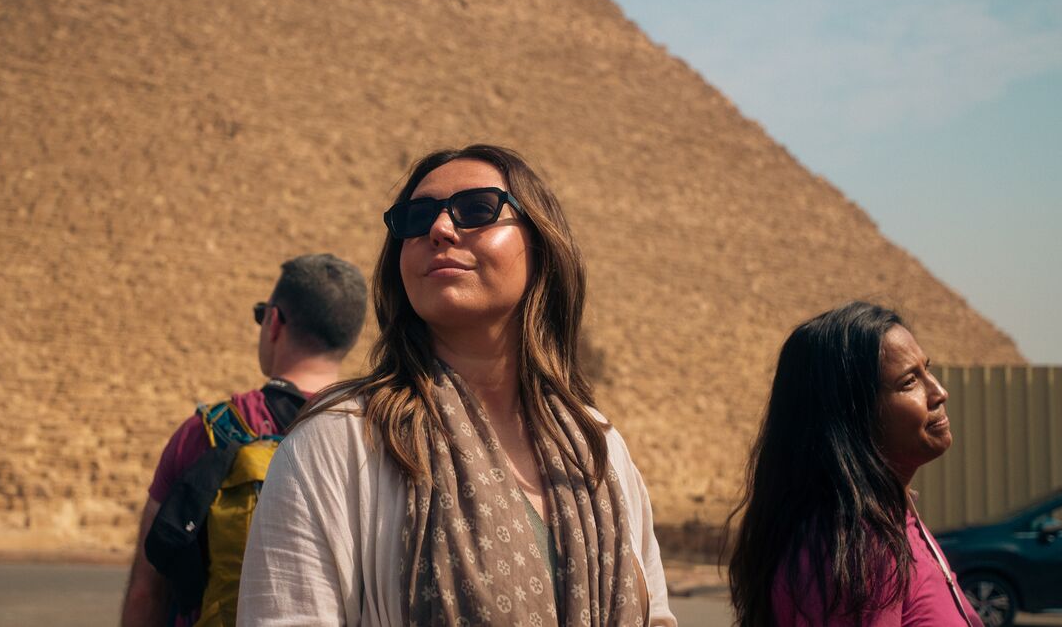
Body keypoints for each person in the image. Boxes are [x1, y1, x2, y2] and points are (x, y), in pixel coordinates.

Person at [238, 145, 676, 626]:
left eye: (477, 209)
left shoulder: (599, 448)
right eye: (416, 216)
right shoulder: (337, 443)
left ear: (541, 244)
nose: (440, 229)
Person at [121, 253, 367, 627]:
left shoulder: (206, 434)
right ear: (349, 338)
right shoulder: (378, 436)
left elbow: (147, 590)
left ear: (273, 322)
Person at [725, 301, 983, 626]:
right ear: (850, 419)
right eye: (909, 382)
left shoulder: (891, 524)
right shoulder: (860, 551)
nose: (939, 392)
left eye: (926, 370)